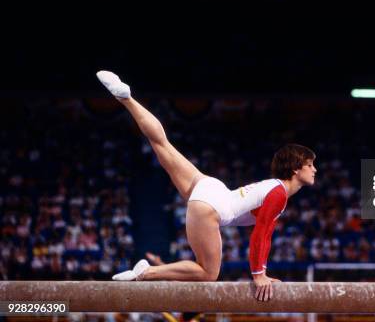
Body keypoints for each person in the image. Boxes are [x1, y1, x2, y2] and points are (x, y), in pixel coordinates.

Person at [96, 71, 317, 301]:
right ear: (295, 168)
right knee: (209, 273)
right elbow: (261, 234)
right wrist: (258, 275)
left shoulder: (274, 188)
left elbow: (261, 230)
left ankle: (126, 98)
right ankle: (147, 272)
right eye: (310, 165)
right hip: (214, 206)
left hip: (211, 188)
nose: (315, 170)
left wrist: (260, 271)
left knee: (161, 143)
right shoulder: (279, 193)